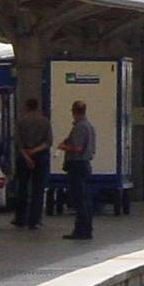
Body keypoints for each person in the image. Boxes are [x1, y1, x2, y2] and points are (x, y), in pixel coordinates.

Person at [12, 98, 53, 230]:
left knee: (22, 188)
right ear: (37, 107)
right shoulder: (45, 122)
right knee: (38, 189)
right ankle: (34, 220)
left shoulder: (20, 121)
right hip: (40, 156)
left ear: (26, 107)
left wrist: (27, 156)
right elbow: (48, 142)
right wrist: (35, 151)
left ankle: (20, 218)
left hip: (23, 157)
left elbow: (18, 143)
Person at [58, 100, 95, 240]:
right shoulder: (89, 126)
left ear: (74, 112)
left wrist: (63, 147)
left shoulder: (80, 127)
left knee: (80, 199)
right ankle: (86, 229)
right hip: (85, 165)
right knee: (85, 198)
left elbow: (78, 148)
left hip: (78, 165)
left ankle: (81, 230)